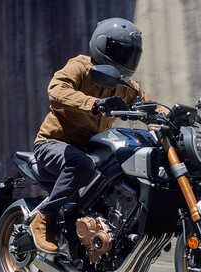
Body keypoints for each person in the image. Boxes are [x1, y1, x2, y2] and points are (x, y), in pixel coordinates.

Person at [31, 17, 157, 254]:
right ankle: (43, 217)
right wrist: (95, 103)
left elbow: (147, 105)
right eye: (121, 52)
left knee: (120, 170)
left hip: (91, 150)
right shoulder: (80, 66)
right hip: (53, 144)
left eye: (130, 53)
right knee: (81, 164)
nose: (126, 58)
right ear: (103, 46)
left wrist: (171, 116)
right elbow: (56, 90)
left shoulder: (124, 84)